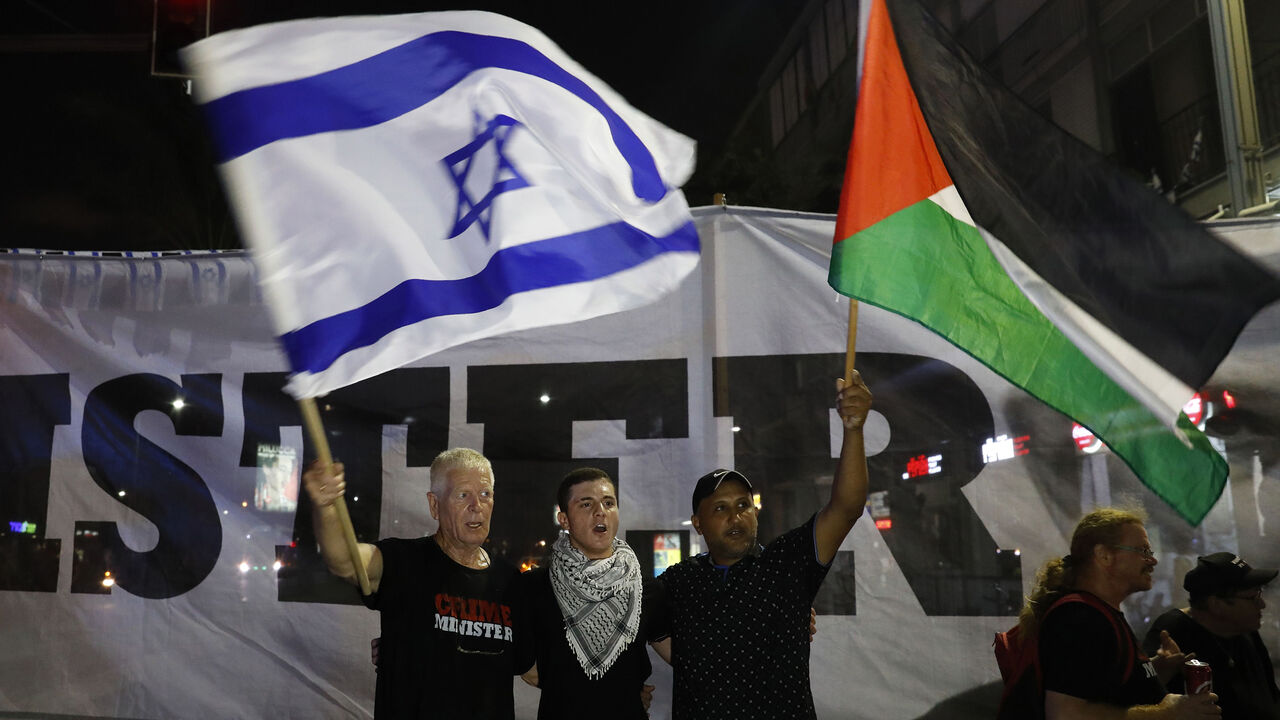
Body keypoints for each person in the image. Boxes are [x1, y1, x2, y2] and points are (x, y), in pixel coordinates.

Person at [654, 371, 872, 720]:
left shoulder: (787, 565)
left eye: (743, 505)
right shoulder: (678, 582)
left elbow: (846, 508)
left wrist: (854, 429)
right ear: (698, 523)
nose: (736, 516)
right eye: (720, 508)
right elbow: (624, 618)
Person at [303, 447, 523, 719]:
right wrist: (326, 508)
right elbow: (344, 560)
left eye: (485, 494)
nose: (476, 506)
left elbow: (535, 666)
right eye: (463, 494)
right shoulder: (402, 561)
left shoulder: (511, 582)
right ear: (434, 505)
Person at [1017, 507, 1220, 719]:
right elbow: (1066, 714)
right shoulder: (1079, 618)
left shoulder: (1099, 613)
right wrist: (1167, 712)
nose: (1153, 561)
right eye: (1143, 551)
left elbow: (1107, 690)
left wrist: (1155, 671)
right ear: (1104, 556)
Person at [518, 467, 665, 719]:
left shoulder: (646, 589)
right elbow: (527, 668)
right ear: (564, 519)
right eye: (586, 504)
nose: (600, 512)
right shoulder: (534, 587)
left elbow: (686, 658)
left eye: (609, 503)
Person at [1142, 552, 1279, 719]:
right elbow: (1142, 696)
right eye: (1253, 597)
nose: (1262, 604)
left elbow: (1270, 693)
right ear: (1216, 604)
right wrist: (1159, 671)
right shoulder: (1173, 631)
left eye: (1260, 594)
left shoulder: (1244, 628)